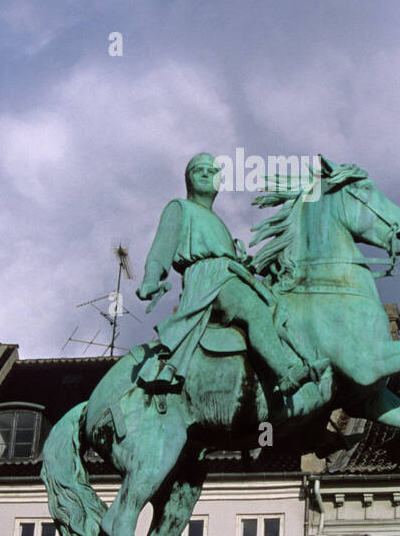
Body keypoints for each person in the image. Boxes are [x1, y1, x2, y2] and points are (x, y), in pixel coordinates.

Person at [136, 153, 329, 409]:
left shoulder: (217, 221)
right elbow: (161, 249)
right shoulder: (179, 208)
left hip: (230, 274)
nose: (206, 174)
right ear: (188, 179)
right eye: (199, 170)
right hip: (208, 279)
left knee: (279, 303)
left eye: (212, 171)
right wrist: (150, 279)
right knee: (253, 309)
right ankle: (285, 373)